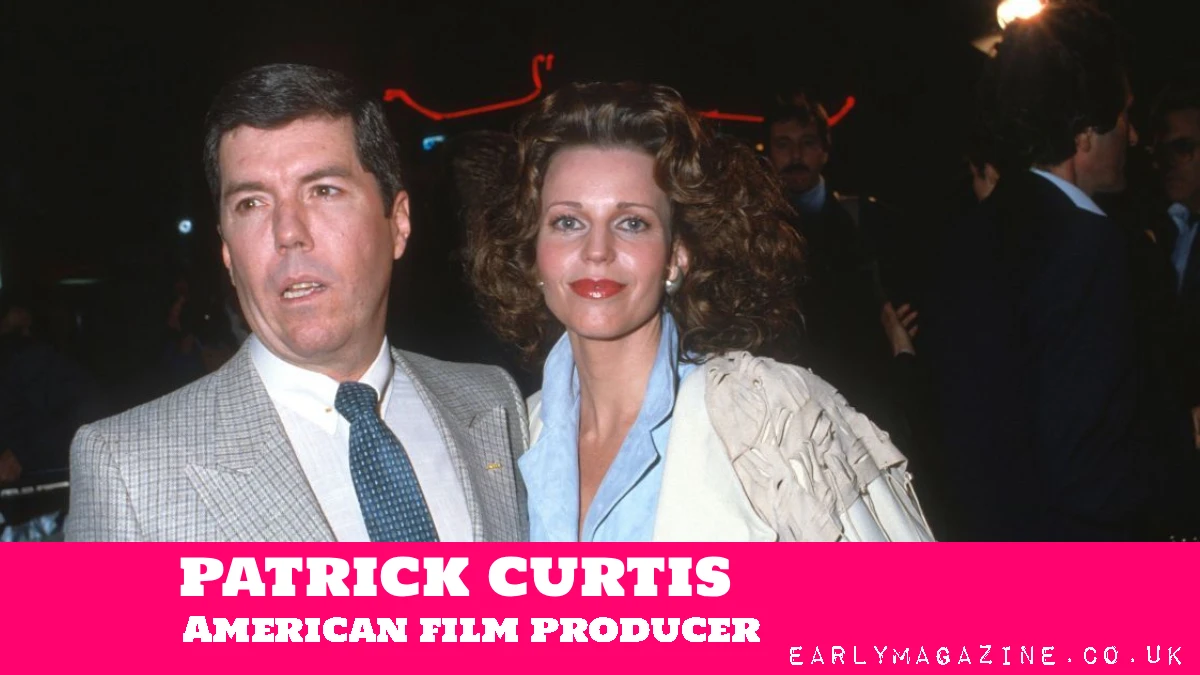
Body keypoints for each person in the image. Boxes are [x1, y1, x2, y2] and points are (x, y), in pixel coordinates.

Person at [65, 64, 528, 542]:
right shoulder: (127, 469)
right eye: (251, 203)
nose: (287, 232)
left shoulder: (492, 400)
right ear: (227, 250)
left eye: (324, 191)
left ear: (398, 223)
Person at [469, 81, 932, 542]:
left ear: (677, 256)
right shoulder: (512, 438)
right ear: (533, 251)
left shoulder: (768, 419)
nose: (597, 250)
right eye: (568, 222)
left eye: (632, 223)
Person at [924, 1, 1186, 540]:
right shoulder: (1089, 246)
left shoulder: (969, 232)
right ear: (1084, 130)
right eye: (1124, 116)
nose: (1134, 138)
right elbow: (1092, 476)